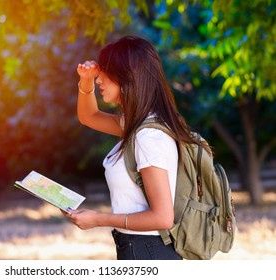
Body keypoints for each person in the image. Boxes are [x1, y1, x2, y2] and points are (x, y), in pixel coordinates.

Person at [63, 35, 210, 260]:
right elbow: (89, 116)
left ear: (126, 77)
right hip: (140, 249)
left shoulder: (147, 137)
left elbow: (162, 218)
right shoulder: (138, 125)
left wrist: (98, 219)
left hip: (148, 251)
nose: (99, 78)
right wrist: (86, 81)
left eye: (105, 72)